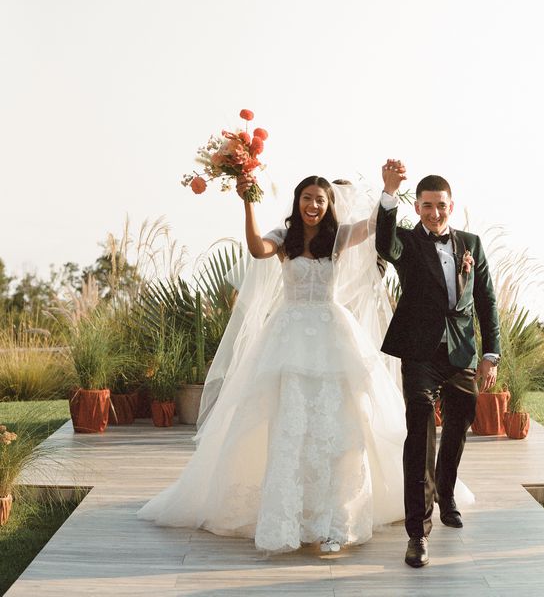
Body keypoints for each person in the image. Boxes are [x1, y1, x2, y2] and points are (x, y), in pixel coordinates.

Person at [138, 175, 424, 553]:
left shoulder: (337, 237)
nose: (314, 205)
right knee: (290, 425)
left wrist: (388, 187)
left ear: (328, 204)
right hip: (288, 339)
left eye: (320, 200)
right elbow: (257, 249)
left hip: (331, 336)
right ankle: (286, 520)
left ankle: (334, 522)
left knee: (337, 426)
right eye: (308, 198)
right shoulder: (284, 238)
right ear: (298, 200)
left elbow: (374, 226)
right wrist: (247, 199)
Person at [376, 160, 501, 568]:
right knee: (421, 434)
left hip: (463, 353)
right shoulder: (408, 244)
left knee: (459, 428)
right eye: (427, 206)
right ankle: (418, 534)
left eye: (441, 206)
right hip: (420, 354)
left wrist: (490, 354)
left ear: (452, 205)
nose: (435, 213)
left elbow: (486, 301)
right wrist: (389, 192)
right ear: (417, 207)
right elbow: (384, 245)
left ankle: (445, 494)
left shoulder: (472, 244)